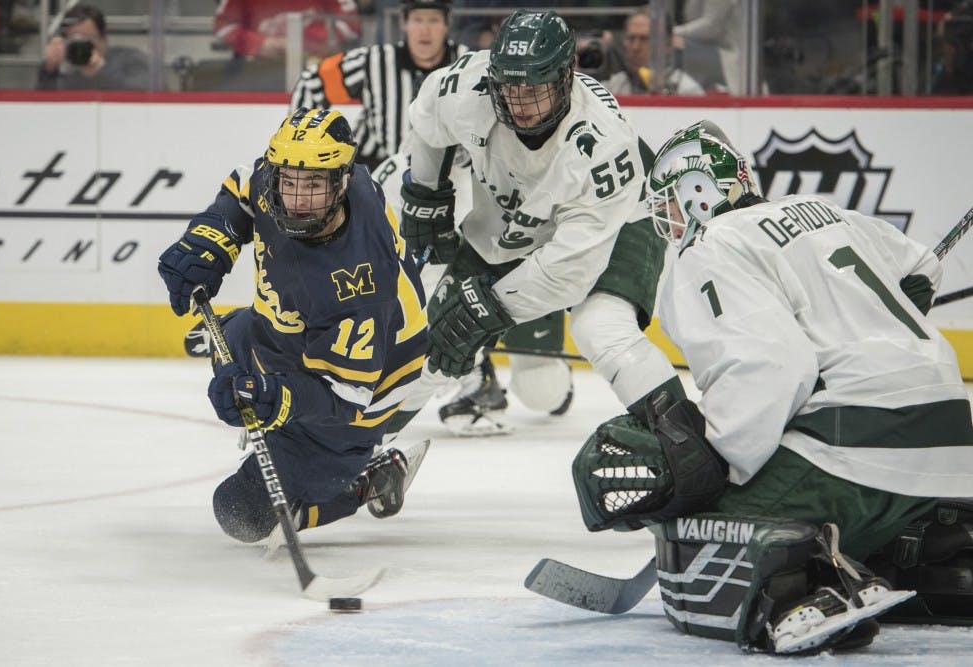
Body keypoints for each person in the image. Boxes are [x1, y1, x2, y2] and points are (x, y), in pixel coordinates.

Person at [571, 120, 973, 654]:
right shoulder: (825, 211)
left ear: (697, 195)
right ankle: (938, 555)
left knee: (701, 539)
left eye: (668, 206)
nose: (668, 222)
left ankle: (807, 589)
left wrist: (720, 468)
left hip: (857, 441)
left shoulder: (712, 247)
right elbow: (920, 265)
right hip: (950, 441)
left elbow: (769, 369)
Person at [398, 9, 684, 439]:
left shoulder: (604, 146)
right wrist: (427, 193)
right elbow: (427, 115)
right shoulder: (468, 86)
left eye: (536, 89)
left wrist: (485, 310)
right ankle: (345, 451)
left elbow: (568, 274)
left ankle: (687, 446)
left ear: (567, 75)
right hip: (512, 221)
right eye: (509, 87)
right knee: (429, 348)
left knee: (599, 327)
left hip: (621, 215)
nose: (520, 103)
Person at [156, 108, 429, 542]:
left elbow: (344, 396)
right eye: (289, 182)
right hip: (293, 333)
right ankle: (247, 353)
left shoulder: (358, 281)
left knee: (240, 513)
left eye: (315, 186)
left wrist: (274, 399)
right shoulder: (292, 174)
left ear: (341, 182)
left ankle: (368, 479)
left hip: (368, 385)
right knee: (231, 344)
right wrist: (210, 240)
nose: (298, 200)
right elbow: (245, 186)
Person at [372, 148, 575, 436]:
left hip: (518, 274)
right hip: (450, 288)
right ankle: (476, 378)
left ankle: (548, 373)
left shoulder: (508, 161)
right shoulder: (402, 172)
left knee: (543, 391)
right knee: (430, 279)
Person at [288, 0, 468, 170]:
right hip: (374, 172)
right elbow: (312, 82)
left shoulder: (466, 64)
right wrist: (305, 144)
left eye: (434, 20)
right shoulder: (374, 60)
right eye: (417, 20)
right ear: (404, 23)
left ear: (447, 24)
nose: (425, 30)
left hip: (448, 175)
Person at [36, 3, 151, 91]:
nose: (81, 48)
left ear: (104, 38)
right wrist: (48, 71)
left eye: (87, 39)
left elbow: (148, 96)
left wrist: (101, 71)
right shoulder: (64, 69)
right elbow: (40, 110)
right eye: (75, 41)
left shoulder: (130, 59)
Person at [213, 0, 361, 65]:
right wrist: (260, 43)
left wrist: (303, 41)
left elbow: (351, 25)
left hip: (318, 67)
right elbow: (223, 27)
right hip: (258, 68)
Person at [602, 8, 704, 96]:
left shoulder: (687, 91)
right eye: (631, 38)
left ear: (667, 44)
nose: (635, 47)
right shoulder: (612, 89)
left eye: (645, 39)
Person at [672, 0, 740, 93]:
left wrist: (669, 32)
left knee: (674, 46)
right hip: (706, 47)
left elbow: (711, 27)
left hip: (727, 54)